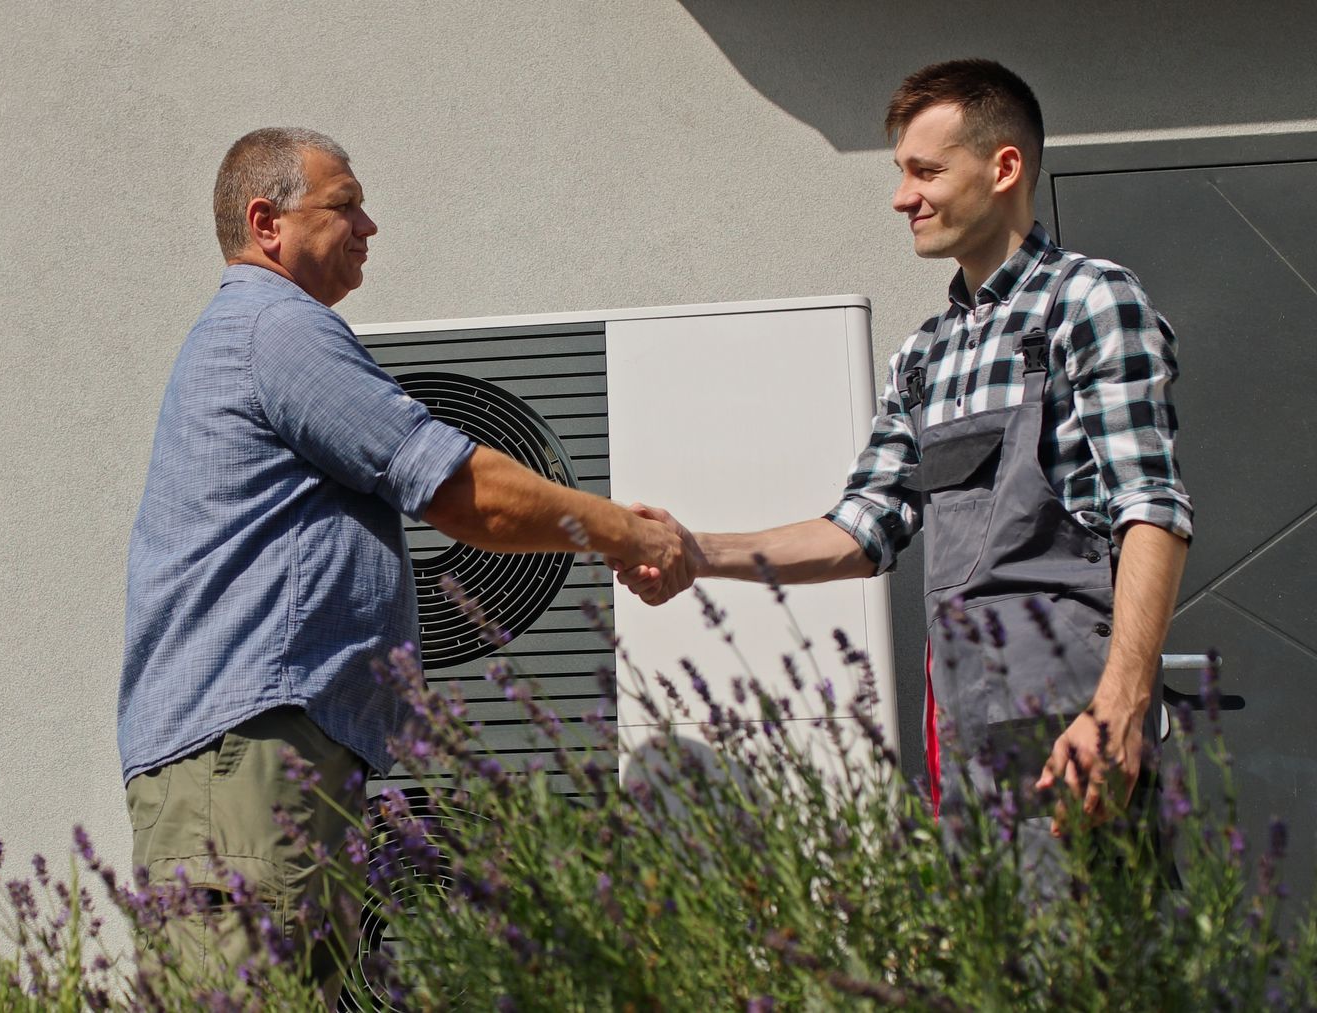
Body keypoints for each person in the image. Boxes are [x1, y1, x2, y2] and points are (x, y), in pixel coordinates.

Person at [120, 126, 696, 998]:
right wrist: (625, 532)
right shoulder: (277, 328)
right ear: (267, 223)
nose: (369, 225)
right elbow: (459, 490)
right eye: (345, 205)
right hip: (247, 762)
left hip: (265, 760)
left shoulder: (257, 332)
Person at [621, 59, 1192, 860]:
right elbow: (862, 529)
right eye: (902, 172)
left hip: (1074, 729)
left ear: (1003, 168)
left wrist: (1122, 705)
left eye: (926, 171)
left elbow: (1151, 508)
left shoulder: (1090, 302)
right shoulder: (924, 356)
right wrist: (695, 549)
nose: (901, 196)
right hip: (963, 728)